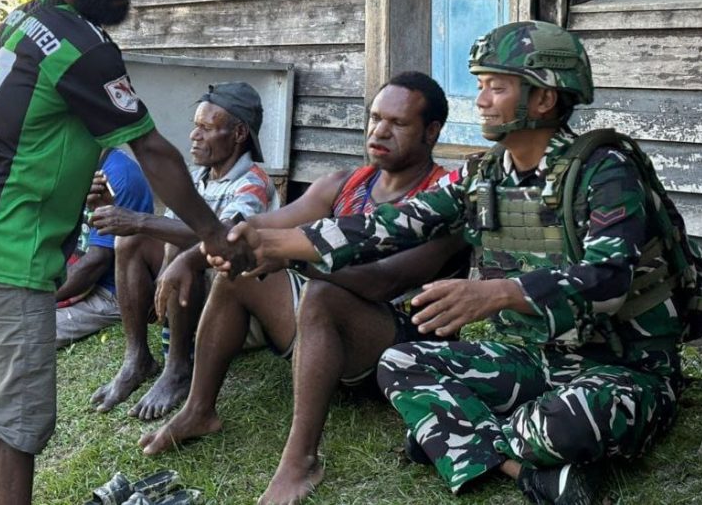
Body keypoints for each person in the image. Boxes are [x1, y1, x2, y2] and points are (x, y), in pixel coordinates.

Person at [221, 21, 687, 505]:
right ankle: (521, 470)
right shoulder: (483, 174)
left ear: (544, 99)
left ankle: (449, 434)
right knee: (399, 362)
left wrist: (499, 293)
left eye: (496, 88)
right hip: (539, 359)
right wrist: (276, 243)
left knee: (557, 425)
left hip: (624, 366)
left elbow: (608, 280)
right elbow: (390, 225)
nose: (481, 100)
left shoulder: (606, 171)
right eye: (480, 86)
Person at [0, 0, 251, 505]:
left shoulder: (19, 22)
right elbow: (153, 150)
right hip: (6, 257)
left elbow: (20, 131)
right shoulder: (85, 48)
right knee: (15, 427)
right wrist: (213, 232)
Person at [139, 72, 467, 505]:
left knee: (321, 292)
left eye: (398, 123)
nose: (379, 132)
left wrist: (294, 258)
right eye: (375, 118)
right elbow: (256, 226)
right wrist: (192, 257)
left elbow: (383, 280)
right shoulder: (344, 183)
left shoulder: (448, 199)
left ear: (432, 131)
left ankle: (301, 461)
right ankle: (199, 410)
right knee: (239, 272)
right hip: (328, 340)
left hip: (402, 351)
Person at [89, 82, 277, 420]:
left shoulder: (254, 182)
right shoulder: (197, 176)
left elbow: (226, 239)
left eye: (206, 128)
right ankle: (137, 359)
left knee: (180, 249)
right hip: (191, 295)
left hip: (235, 308)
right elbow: (166, 232)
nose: (194, 135)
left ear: (238, 134)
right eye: (195, 126)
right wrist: (112, 213)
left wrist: (139, 220)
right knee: (130, 240)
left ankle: (178, 368)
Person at [56, 148, 154, 348]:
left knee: (22, 332)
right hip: (74, 273)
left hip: (108, 292)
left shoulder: (118, 176)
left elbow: (97, 261)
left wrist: (38, 297)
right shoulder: (78, 165)